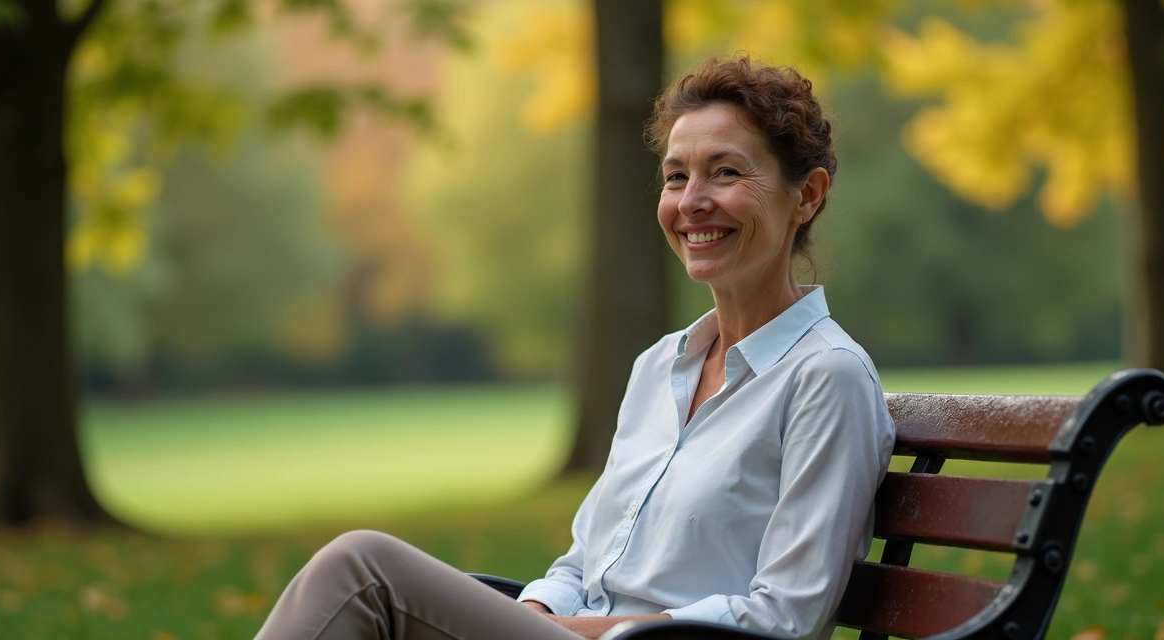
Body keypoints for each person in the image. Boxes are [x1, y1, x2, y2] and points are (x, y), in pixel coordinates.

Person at [254, 54, 895, 640]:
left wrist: (591, 632)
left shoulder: (826, 377)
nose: (692, 202)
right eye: (676, 177)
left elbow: (787, 617)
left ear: (807, 195)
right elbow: (584, 561)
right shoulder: (660, 367)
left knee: (363, 570)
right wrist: (534, 614)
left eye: (725, 172)